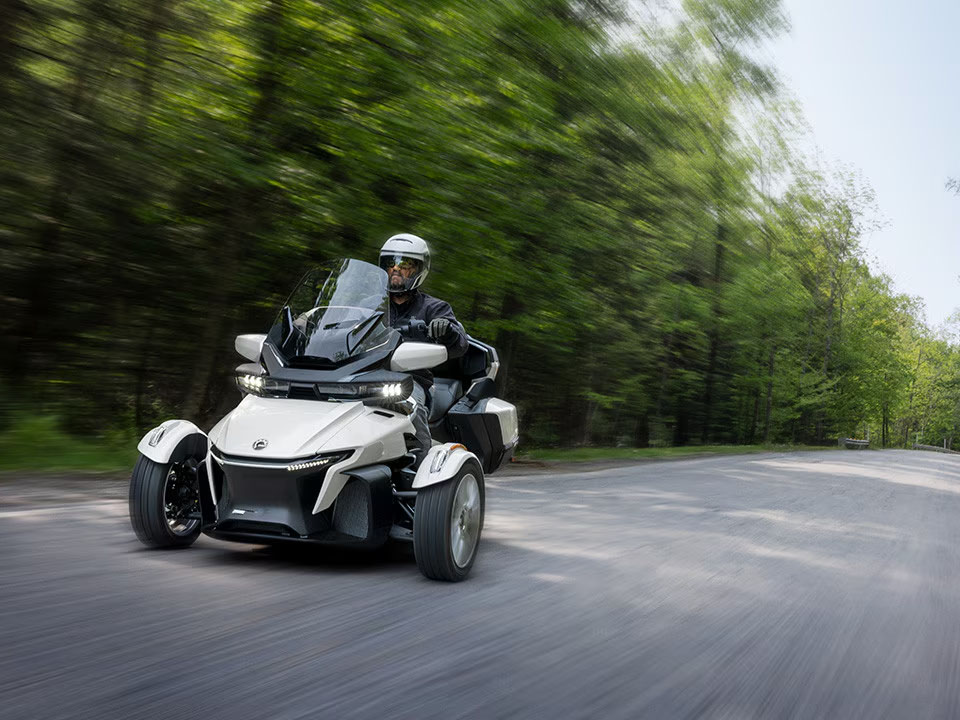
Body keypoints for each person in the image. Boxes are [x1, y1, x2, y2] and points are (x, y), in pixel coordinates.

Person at [379, 233, 468, 467]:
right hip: (362, 376)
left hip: (411, 381)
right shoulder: (371, 304)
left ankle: (421, 472)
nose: (396, 269)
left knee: (408, 403)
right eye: (391, 264)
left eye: (405, 264)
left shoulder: (434, 307)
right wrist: (309, 322)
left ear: (418, 270)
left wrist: (447, 330)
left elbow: (460, 344)